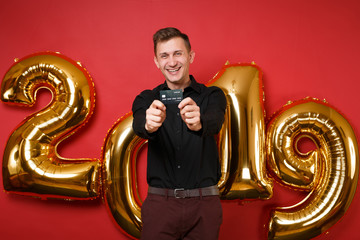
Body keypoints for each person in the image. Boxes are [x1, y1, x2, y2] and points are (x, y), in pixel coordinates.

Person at [132, 27, 227, 240]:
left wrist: (200, 122)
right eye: (164, 56)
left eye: (178, 53)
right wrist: (148, 125)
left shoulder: (212, 95)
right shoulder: (146, 99)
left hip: (205, 206)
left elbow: (215, 121)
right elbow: (139, 125)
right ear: (156, 61)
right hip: (160, 206)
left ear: (190, 56)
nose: (172, 62)